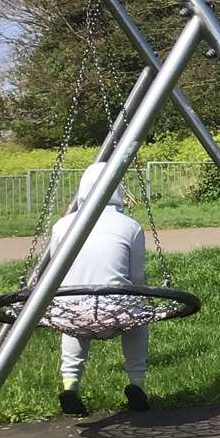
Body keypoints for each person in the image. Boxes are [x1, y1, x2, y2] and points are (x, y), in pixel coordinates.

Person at [46, 162, 150, 417]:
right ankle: (137, 383)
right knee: (140, 315)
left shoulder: (61, 227)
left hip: (74, 310)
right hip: (116, 312)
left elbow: (53, 272)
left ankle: (70, 383)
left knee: (70, 317)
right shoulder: (130, 227)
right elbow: (136, 277)